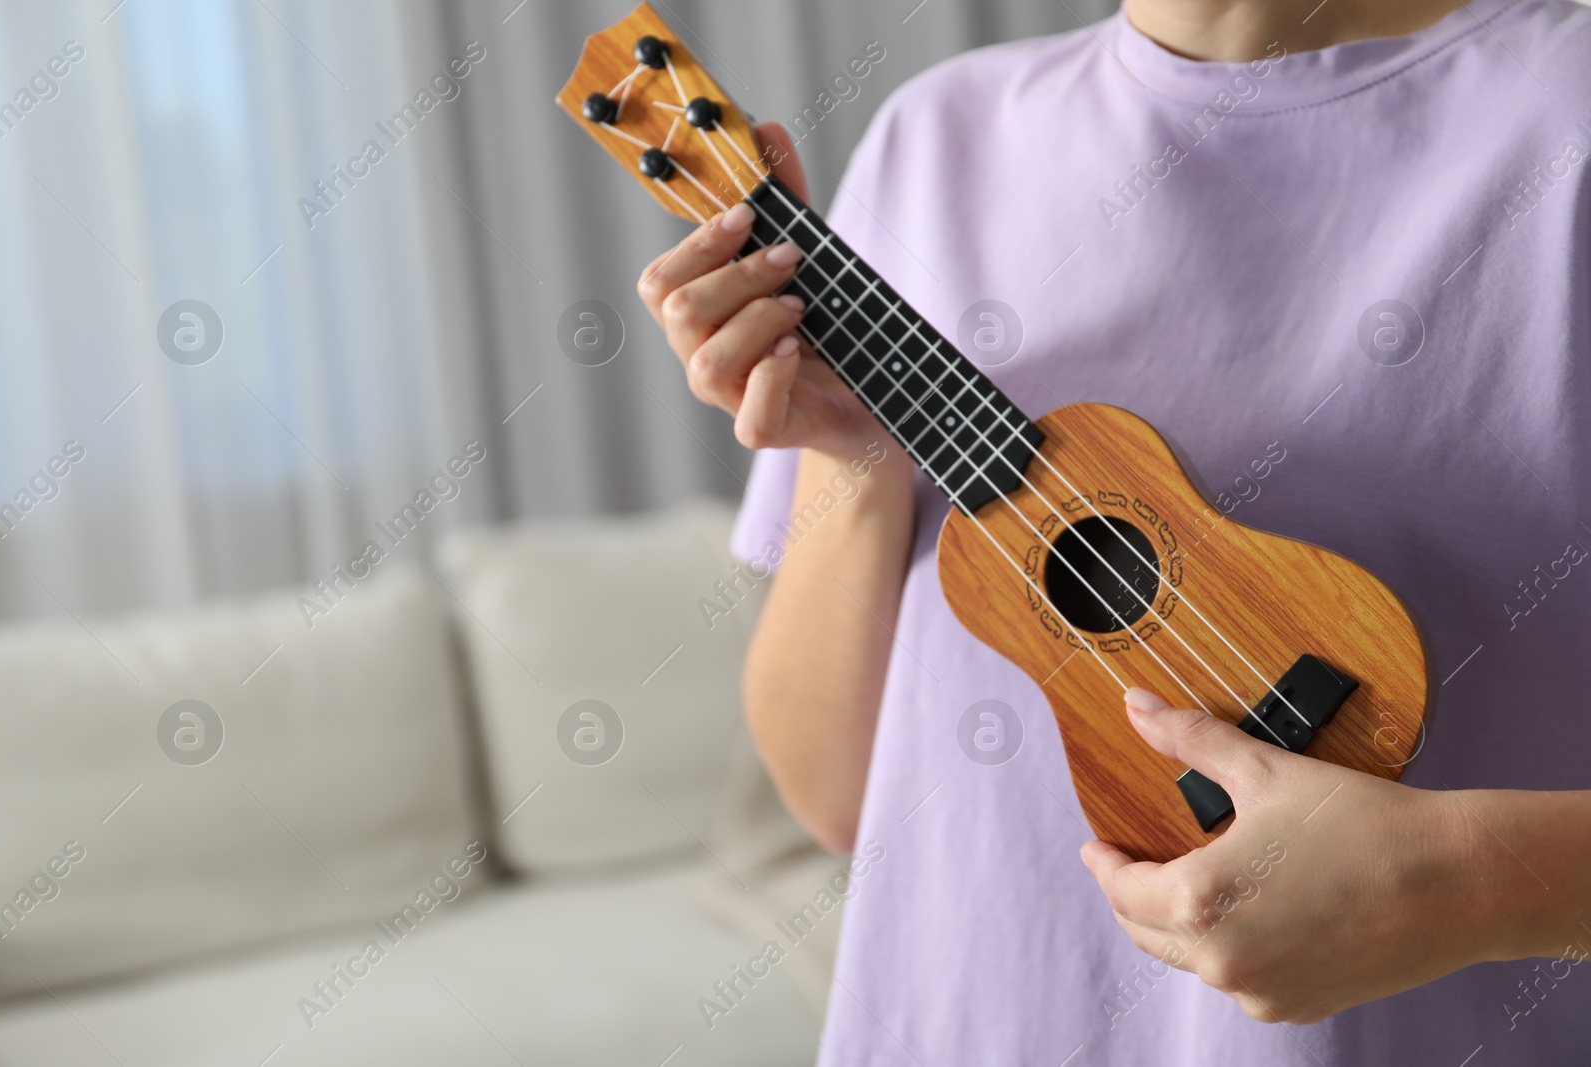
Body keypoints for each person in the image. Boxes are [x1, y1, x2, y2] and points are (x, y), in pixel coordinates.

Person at [637, 0, 1591, 1061]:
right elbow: (839, 796)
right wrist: (856, 458)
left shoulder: (1566, 108)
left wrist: (1473, 880)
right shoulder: (935, 139)